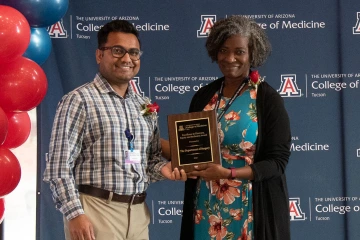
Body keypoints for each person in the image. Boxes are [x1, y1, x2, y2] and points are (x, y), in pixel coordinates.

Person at [43, 20, 186, 240]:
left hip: (138, 214)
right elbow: (58, 167)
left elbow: (148, 161)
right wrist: (75, 215)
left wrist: (163, 170)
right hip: (96, 212)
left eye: (134, 53)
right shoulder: (79, 100)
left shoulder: (144, 105)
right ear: (100, 55)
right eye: (118, 51)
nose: (127, 59)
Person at [179, 15, 292, 240]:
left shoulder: (266, 98)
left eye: (239, 51)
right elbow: (191, 151)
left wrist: (229, 173)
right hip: (206, 204)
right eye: (223, 50)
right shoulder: (204, 96)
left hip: (250, 204)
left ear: (252, 54)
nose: (230, 58)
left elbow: (277, 162)